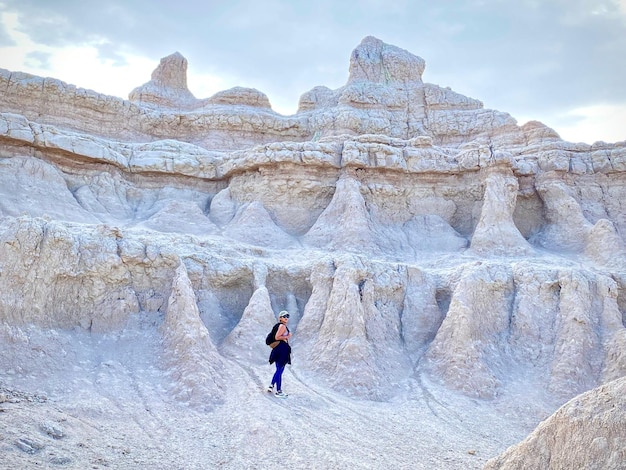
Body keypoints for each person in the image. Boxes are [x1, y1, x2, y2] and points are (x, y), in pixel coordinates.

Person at [268, 311, 292, 398]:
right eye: (284, 316)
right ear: (280, 318)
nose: (286, 317)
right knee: (280, 370)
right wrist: (287, 336)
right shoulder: (282, 326)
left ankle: (271, 385)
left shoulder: (278, 326)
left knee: (279, 369)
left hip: (278, 349)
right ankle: (279, 391)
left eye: (287, 316)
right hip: (282, 350)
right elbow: (277, 337)